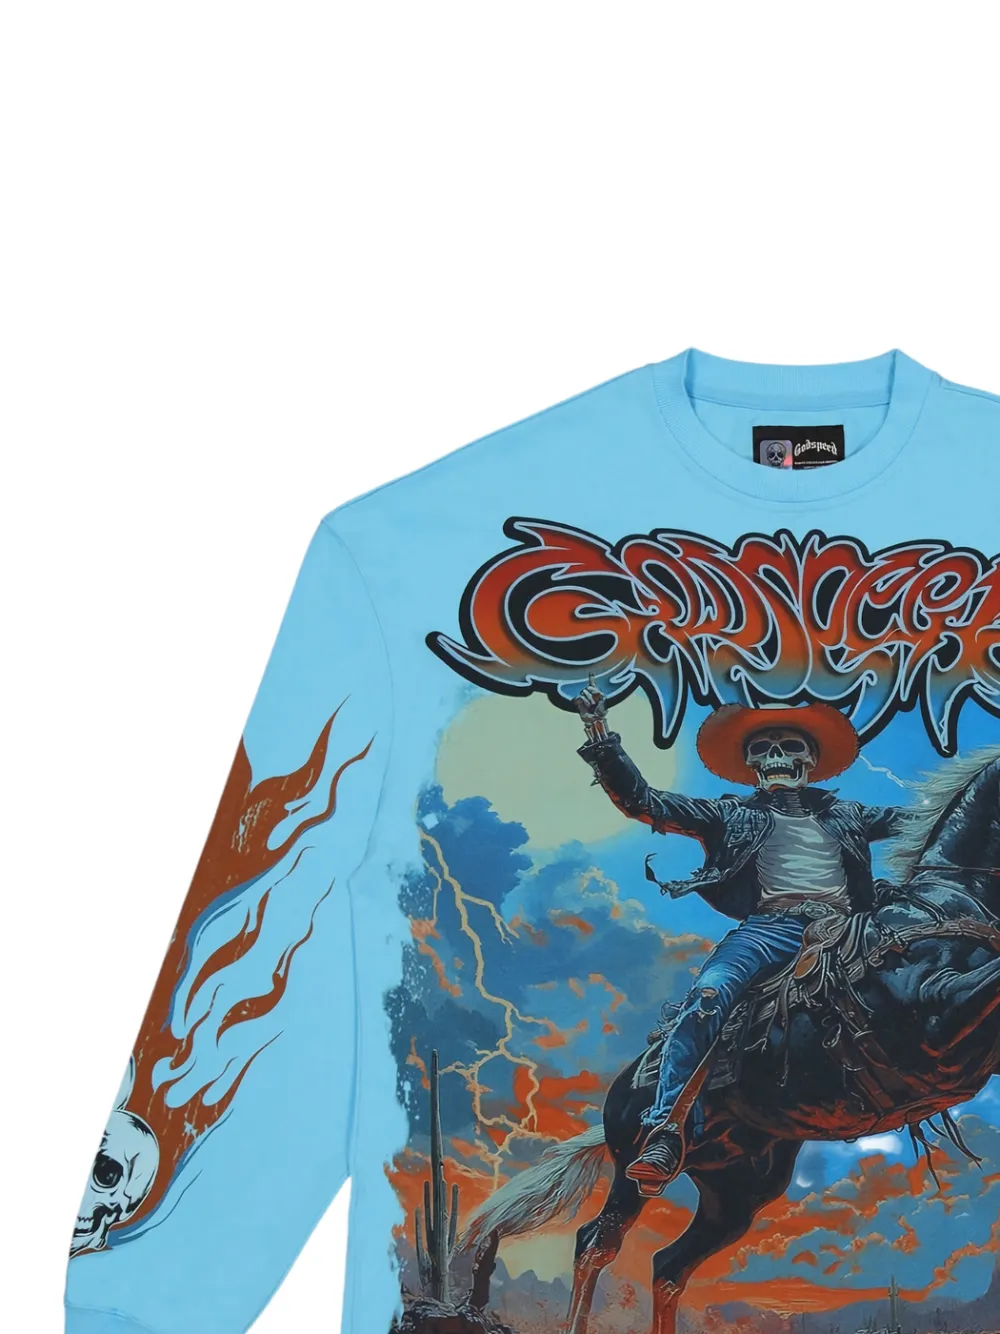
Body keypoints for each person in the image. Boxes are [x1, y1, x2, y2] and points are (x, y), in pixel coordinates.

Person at [575, 687, 907, 1193]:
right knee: (708, 998)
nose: (776, 757)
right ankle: (668, 1130)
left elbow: (937, 820)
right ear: (751, 765)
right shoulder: (730, 814)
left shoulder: (850, 814)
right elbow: (644, 801)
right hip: (770, 930)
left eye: (789, 747)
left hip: (851, 929)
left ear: (811, 760)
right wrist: (600, 734)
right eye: (763, 750)